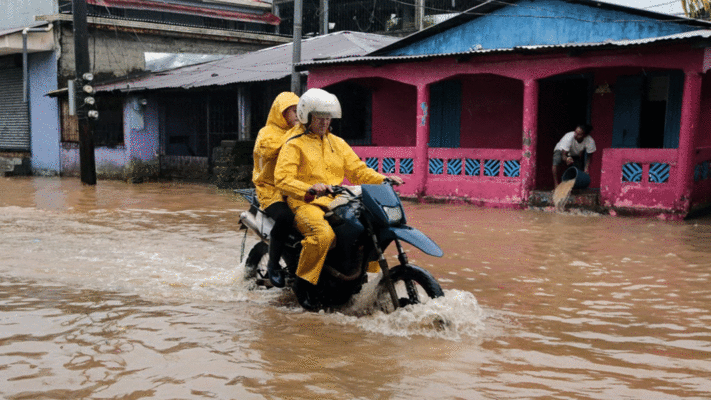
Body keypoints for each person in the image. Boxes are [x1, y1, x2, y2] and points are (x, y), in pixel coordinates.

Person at [274, 88, 403, 309]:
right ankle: (302, 283)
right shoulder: (294, 144)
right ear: (307, 117)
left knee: (370, 225)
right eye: (319, 118)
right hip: (306, 201)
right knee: (322, 235)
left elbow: (358, 171)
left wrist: (383, 179)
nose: (324, 122)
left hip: (338, 199)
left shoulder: (338, 143)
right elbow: (282, 179)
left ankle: (357, 276)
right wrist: (310, 188)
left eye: (327, 118)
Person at [252, 92, 300, 288]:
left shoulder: (301, 134)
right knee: (285, 218)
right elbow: (269, 151)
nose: (298, 115)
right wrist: (296, 132)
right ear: (281, 113)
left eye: (301, 111)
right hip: (270, 189)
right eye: (294, 111)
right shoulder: (267, 133)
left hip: (295, 187)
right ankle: (273, 264)